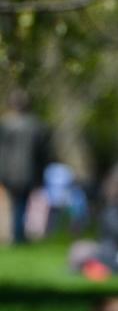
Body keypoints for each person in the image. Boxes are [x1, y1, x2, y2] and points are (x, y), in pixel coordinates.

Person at [0, 90, 51, 244]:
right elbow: (43, 153)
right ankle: (18, 235)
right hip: (28, 172)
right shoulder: (36, 125)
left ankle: (16, 234)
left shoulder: (5, 124)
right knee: (21, 203)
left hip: (8, 171)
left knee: (15, 203)